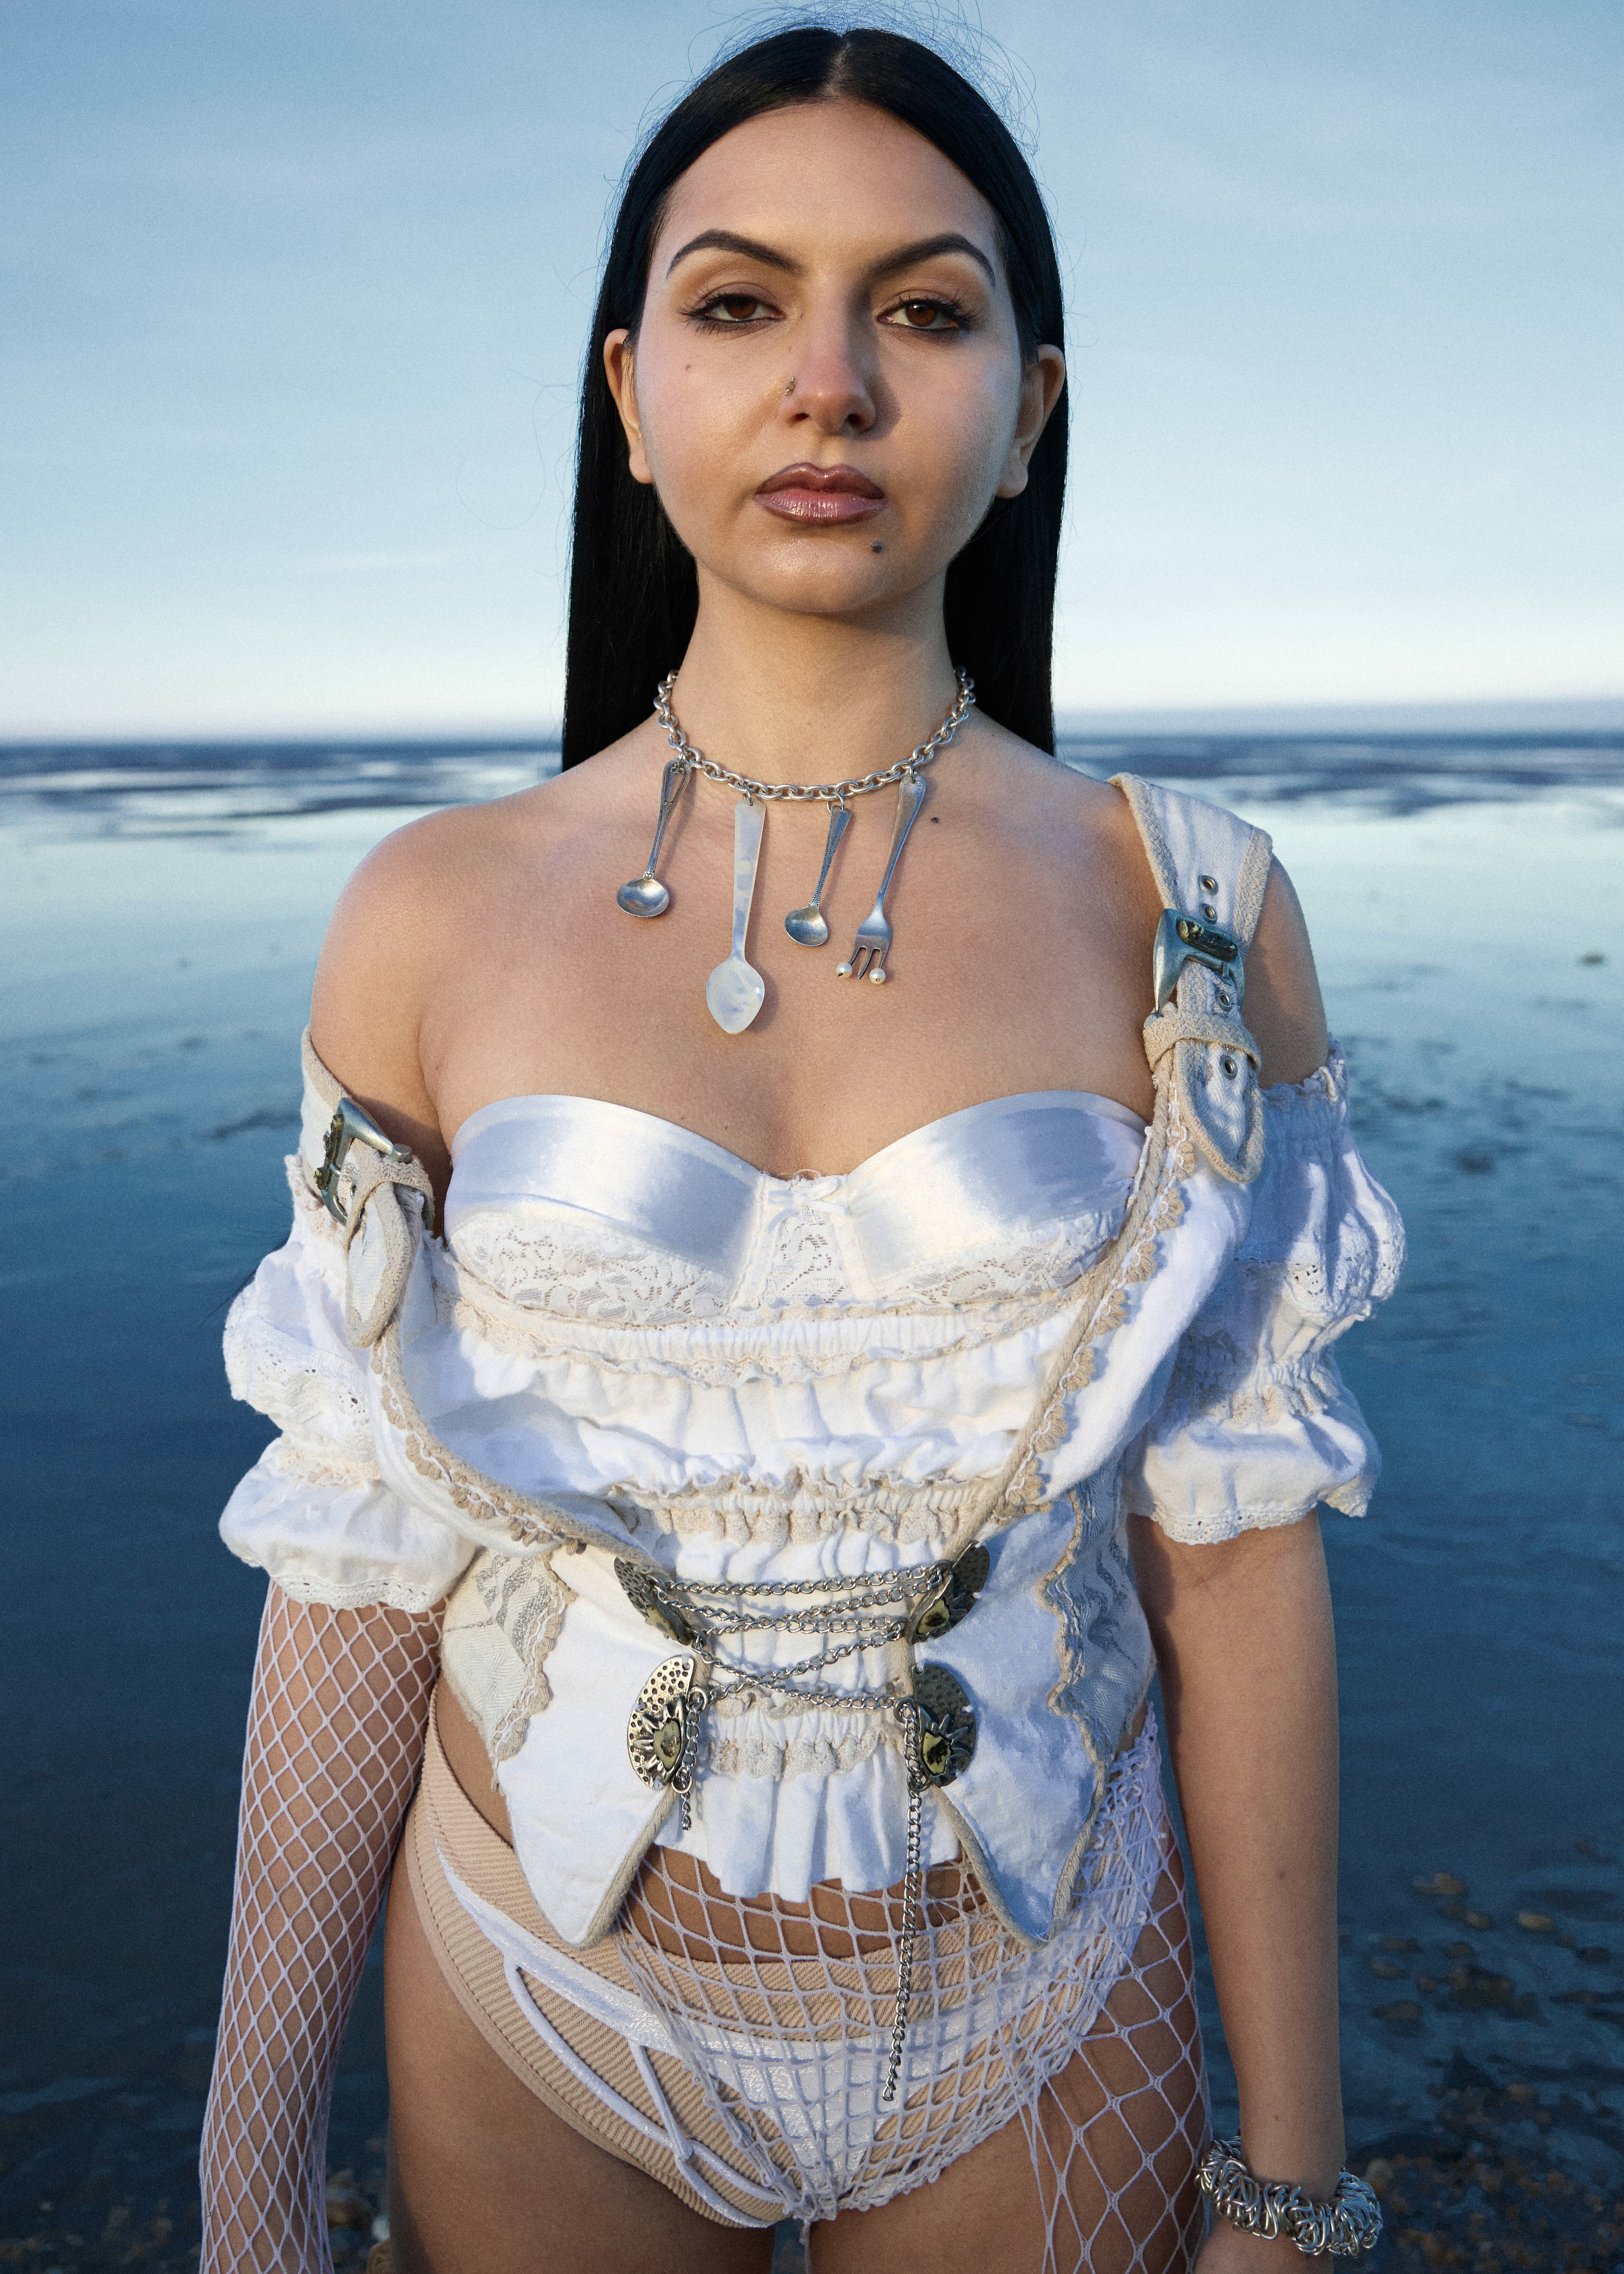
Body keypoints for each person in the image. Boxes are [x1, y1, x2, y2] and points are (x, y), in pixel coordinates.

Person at [198, 26, 1404, 2274]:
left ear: (1029, 412)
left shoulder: (1194, 905)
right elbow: (360, 1544)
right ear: (628, 393)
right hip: (537, 1999)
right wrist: (250, 2180)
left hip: (1054, 2004)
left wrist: (1291, 2175)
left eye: (922, 311)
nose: (826, 384)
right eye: (738, 303)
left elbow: (1234, 1556)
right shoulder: (426, 911)